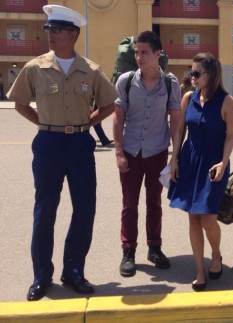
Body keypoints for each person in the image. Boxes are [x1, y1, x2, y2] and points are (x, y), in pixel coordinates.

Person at [6, 5, 117, 301]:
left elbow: (108, 104)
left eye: (56, 30)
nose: (50, 35)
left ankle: (74, 272)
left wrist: (87, 123)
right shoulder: (36, 67)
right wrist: (45, 124)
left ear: (73, 34)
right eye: (48, 30)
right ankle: (42, 275)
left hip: (80, 144)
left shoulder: (91, 70)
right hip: (48, 144)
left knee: (84, 208)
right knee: (45, 210)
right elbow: (19, 103)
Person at [168, 52, 233, 292]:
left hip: (213, 165)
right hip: (190, 160)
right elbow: (179, 131)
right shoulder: (189, 97)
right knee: (193, 217)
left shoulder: (227, 101)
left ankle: (215, 255)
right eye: (191, 72)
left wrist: (223, 162)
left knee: (208, 218)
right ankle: (200, 269)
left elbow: (230, 136)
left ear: (212, 75)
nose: (192, 77)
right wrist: (174, 159)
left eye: (197, 73)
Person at [113, 31, 181, 278]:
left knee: (155, 202)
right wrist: (119, 152)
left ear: (157, 54)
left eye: (144, 52)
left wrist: (175, 154)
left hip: (157, 151)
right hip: (131, 151)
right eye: (136, 52)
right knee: (129, 204)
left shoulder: (170, 83)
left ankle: (155, 248)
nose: (139, 57)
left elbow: (175, 118)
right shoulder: (126, 81)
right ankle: (128, 251)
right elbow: (118, 117)